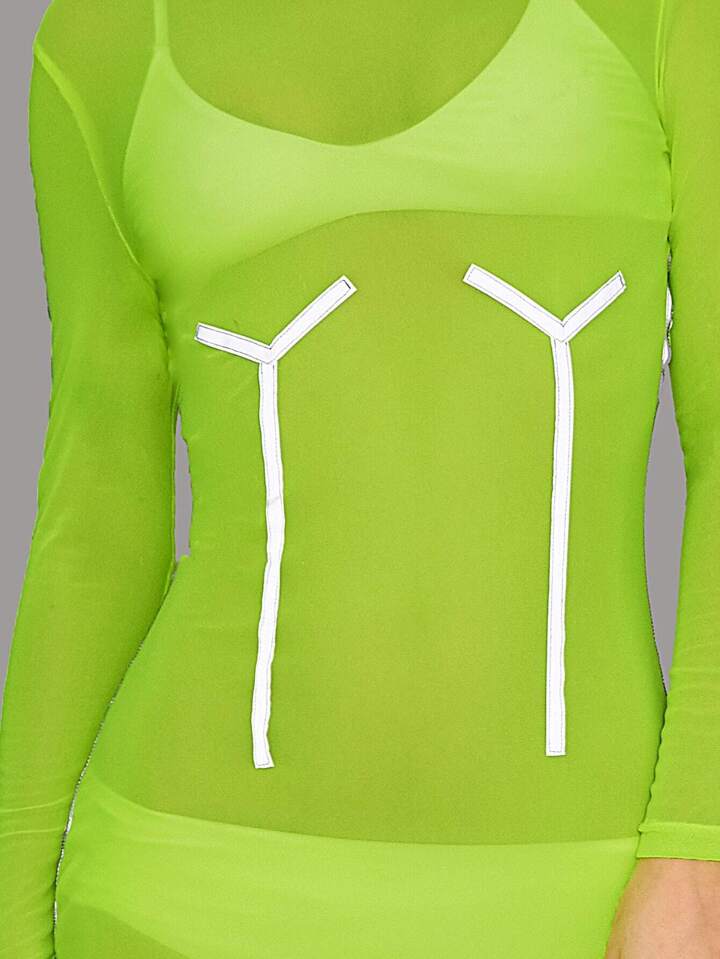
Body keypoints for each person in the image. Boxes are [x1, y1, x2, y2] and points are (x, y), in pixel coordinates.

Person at [1, 0, 720, 956]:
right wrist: (12, 922)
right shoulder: (104, 41)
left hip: (581, 899)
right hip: (178, 889)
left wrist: (699, 843)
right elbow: (97, 511)